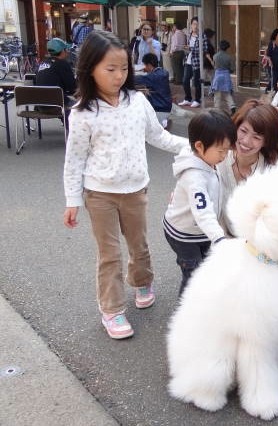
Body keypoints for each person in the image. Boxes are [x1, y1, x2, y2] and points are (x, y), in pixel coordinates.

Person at [62, 30, 189, 340]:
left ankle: (142, 281)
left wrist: (194, 145)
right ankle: (112, 309)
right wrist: (72, 200)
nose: (119, 76)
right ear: (90, 68)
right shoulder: (82, 113)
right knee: (109, 254)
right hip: (100, 192)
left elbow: (158, 136)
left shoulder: (137, 101)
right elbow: (75, 159)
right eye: (110, 69)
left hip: (135, 189)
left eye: (124, 68)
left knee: (139, 244)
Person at [164, 110, 237, 296]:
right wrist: (219, 238)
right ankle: (187, 312)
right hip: (184, 235)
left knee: (205, 268)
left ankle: (204, 300)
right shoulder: (195, 177)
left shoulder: (208, 159)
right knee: (193, 275)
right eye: (221, 151)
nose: (224, 156)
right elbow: (203, 212)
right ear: (199, 145)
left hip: (200, 231)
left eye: (227, 150)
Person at [217, 99, 278, 234]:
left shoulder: (275, 171)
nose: (246, 141)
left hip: (257, 247)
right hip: (218, 241)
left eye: (257, 137)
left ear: (267, 141)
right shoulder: (217, 160)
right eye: (243, 131)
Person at [35, 37, 77, 126]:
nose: (68, 51)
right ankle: (74, 132)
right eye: (66, 49)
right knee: (84, 106)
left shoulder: (42, 63)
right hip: (56, 106)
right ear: (62, 51)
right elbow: (73, 88)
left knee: (63, 100)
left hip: (40, 106)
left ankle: (67, 127)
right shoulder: (62, 64)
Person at [134, 53, 172, 128]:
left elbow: (137, 79)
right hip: (165, 106)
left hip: (159, 108)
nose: (144, 67)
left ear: (149, 65)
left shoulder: (154, 76)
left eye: (145, 65)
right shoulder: (162, 72)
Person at [178, 17, 203, 108]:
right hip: (188, 61)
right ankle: (188, 99)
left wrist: (190, 48)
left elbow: (204, 49)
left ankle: (197, 100)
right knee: (185, 80)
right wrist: (186, 49)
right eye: (194, 24)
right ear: (191, 25)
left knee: (197, 82)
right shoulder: (189, 35)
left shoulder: (202, 36)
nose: (195, 26)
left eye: (197, 24)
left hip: (197, 62)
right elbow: (189, 49)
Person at [210, 39, 236, 115]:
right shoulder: (229, 57)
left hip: (217, 75)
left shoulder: (215, 56)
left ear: (219, 47)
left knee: (217, 94)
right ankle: (232, 106)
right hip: (226, 75)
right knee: (227, 93)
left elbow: (215, 67)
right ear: (227, 48)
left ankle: (217, 109)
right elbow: (232, 69)